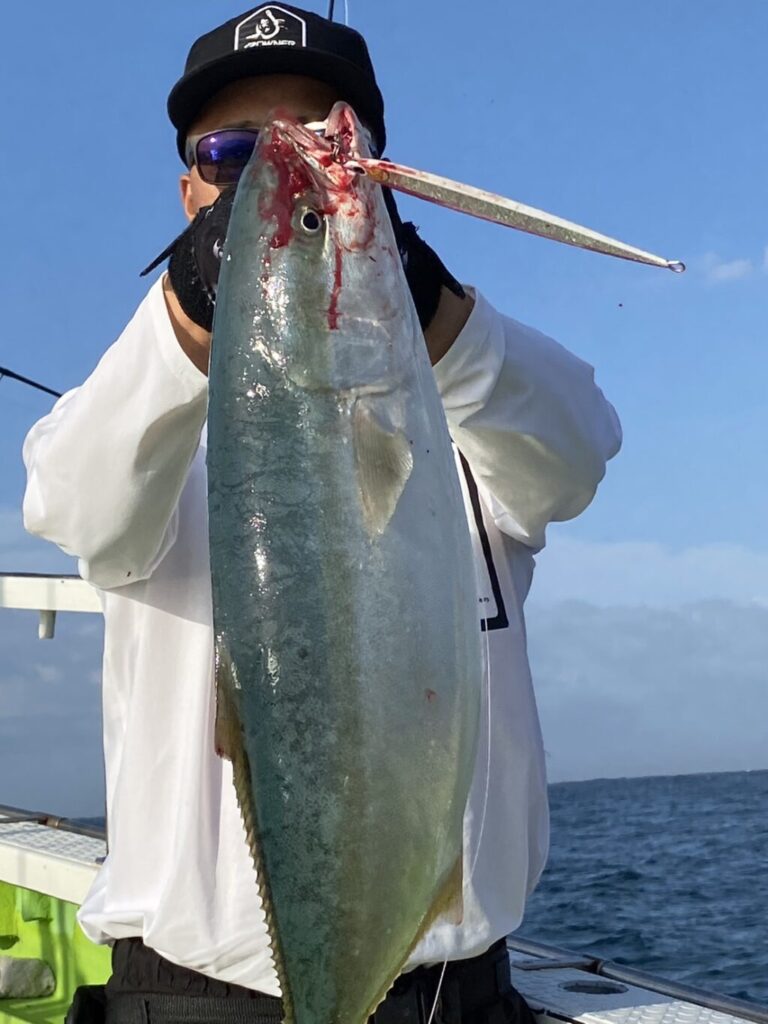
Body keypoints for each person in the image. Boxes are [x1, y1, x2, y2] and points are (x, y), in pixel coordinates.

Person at [22, 5, 622, 1024]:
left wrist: (433, 306)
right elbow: (70, 498)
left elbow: (579, 449)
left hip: (465, 996)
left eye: (321, 132)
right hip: (198, 1002)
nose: (284, 163)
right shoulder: (151, 436)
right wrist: (187, 306)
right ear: (189, 193)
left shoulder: (463, 420)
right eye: (233, 153)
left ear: (385, 178)